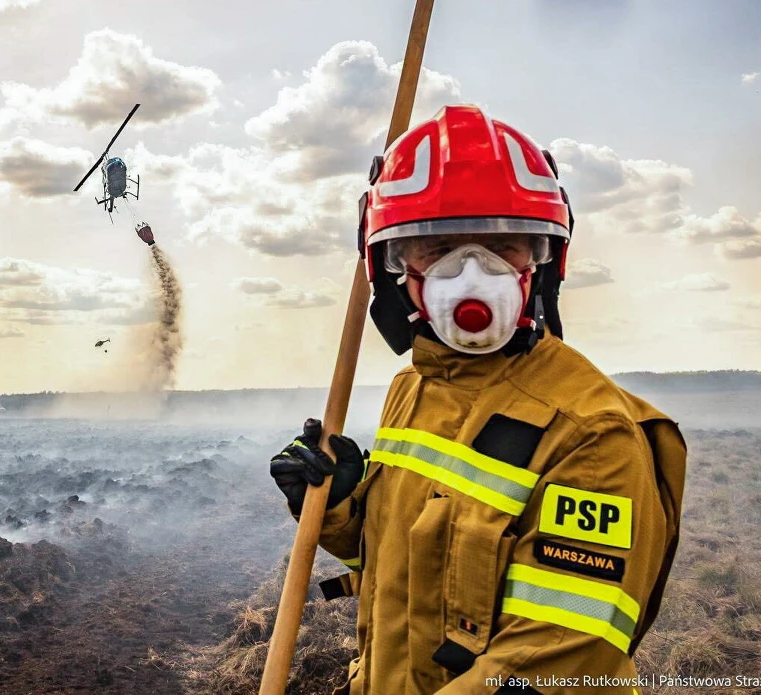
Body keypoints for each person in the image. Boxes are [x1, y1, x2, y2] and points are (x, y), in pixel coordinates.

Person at [270, 105, 686, 695]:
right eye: (436, 245)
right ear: (392, 264)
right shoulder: (413, 389)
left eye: (501, 245)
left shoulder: (591, 434)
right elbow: (403, 573)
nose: (470, 274)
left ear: (541, 260)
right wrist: (340, 511)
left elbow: (549, 667)